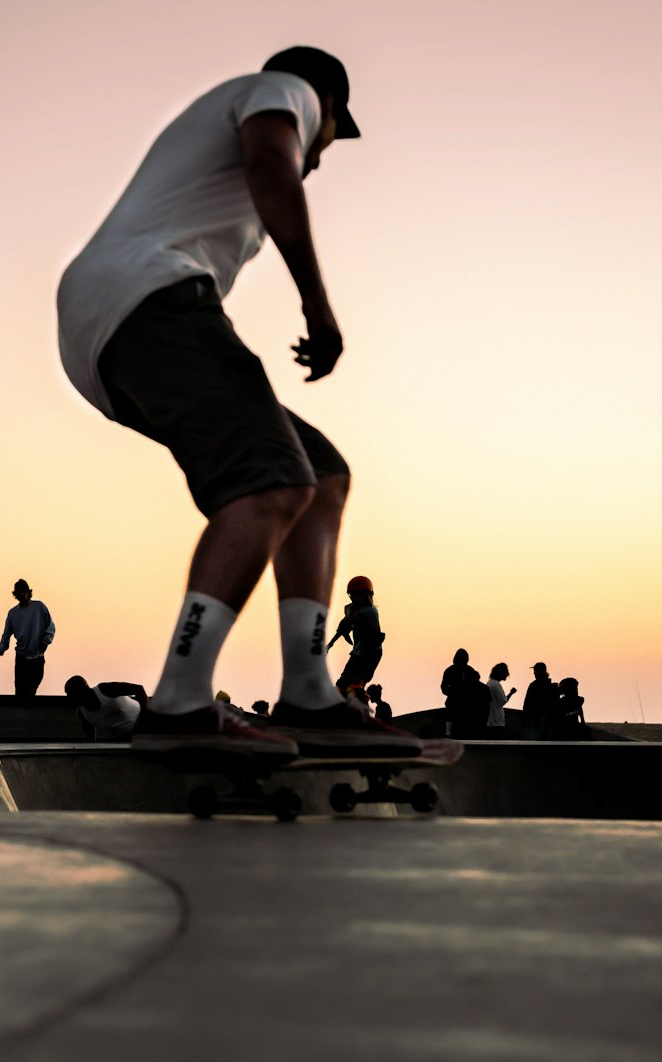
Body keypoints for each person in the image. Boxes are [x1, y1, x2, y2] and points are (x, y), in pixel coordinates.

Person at [57, 48, 416, 761]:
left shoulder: (212, 150)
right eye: (328, 141)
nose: (320, 158)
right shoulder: (284, 90)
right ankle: (180, 703)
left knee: (320, 475)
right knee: (272, 481)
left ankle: (309, 694)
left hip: (119, 331)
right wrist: (318, 306)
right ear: (328, 110)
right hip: (146, 300)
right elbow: (273, 165)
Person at [0, 579, 55, 697]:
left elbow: (50, 627)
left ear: (28, 592)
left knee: (32, 689)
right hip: (22, 657)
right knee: (20, 691)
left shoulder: (39, 607)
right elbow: (6, 635)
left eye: (24, 592)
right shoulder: (13, 613)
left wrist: (45, 642)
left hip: (37, 656)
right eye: (19, 593)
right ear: (15, 595)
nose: (22, 595)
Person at [329, 575, 386, 696]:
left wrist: (353, 618)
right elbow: (343, 628)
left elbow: (354, 620)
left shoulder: (370, 612)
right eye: (353, 596)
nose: (355, 599)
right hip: (357, 654)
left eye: (358, 595)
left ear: (367, 595)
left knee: (356, 687)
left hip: (370, 655)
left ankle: (360, 708)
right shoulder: (353, 611)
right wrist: (330, 644)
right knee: (341, 687)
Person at [64, 675, 147, 741]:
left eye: (71, 695)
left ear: (82, 692)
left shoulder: (105, 689)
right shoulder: (83, 714)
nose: (69, 699)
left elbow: (139, 689)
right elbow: (91, 738)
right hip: (128, 739)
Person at [440, 648, 481, 737]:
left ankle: (449, 732)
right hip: (455, 699)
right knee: (450, 710)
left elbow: (443, 688)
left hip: (465, 700)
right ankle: (448, 732)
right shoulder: (466, 670)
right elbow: (444, 687)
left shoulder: (453, 670)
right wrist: (453, 694)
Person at [522, 662, 557, 740]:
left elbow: (527, 704)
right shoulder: (551, 686)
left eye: (535, 671)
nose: (534, 673)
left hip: (536, 722)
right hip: (548, 722)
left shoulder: (533, 686)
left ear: (540, 672)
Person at [486, 663, 516, 736]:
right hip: (497, 722)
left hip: (490, 721)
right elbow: (503, 701)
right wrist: (511, 693)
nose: (507, 674)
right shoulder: (496, 685)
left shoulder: (490, 683)